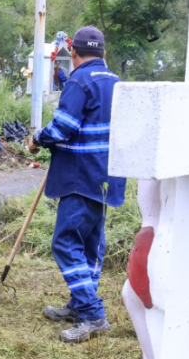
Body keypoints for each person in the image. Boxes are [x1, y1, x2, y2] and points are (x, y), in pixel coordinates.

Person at [25, 26, 126, 342]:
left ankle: (92, 313)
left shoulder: (79, 81)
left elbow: (64, 127)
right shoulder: (118, 83)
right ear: (104, 54)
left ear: (76, 54)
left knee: (66, 242)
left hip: (80, 176)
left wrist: (38, 140)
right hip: (108, 177)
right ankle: (80, 305)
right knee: (91, 244)